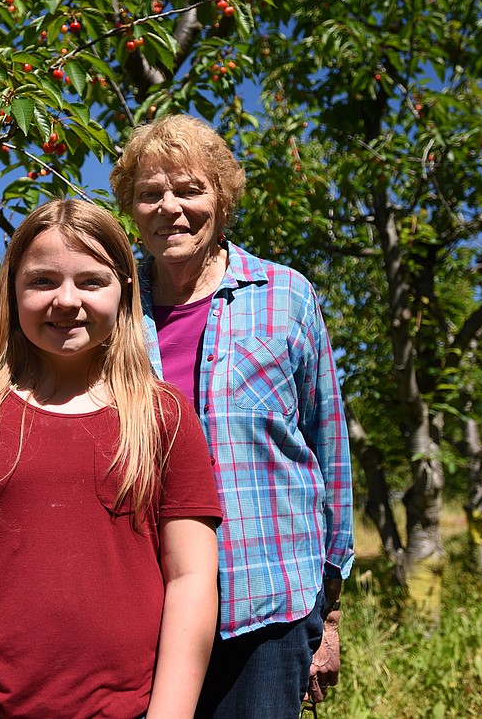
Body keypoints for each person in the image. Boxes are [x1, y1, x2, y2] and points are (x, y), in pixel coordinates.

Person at [0, 199, 223, 718]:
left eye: (91, 282)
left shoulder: (164, 416)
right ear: (11, 291)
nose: (66, 301)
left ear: (126, 290)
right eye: (42, 281)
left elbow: (192, 579)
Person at [109, 114, 355, 718]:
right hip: (148, 606)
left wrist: (331, 613)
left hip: (267, 606)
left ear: (222, 199)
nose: (170, 207)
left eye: (189, 189)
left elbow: (331, 450)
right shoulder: (113, 309)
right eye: (150, 193)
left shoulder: (285, 296)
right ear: (132, 209)